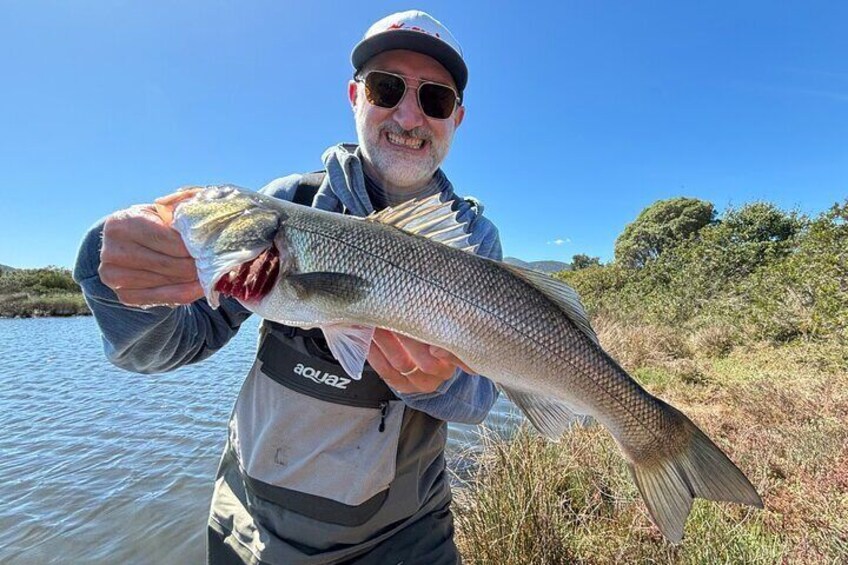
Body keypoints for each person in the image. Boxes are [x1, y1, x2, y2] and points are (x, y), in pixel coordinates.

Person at [74, 10, 503, 565]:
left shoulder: (475, 238)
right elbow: (171, 345)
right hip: (253, 529)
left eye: (435, 100)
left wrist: (437, 386)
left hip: (408, 536)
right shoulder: (290, 202)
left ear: (457, 119)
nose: (408, 114)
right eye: (386, 87)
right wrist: (116, 274)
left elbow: (483, 397)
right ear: (356, 96)